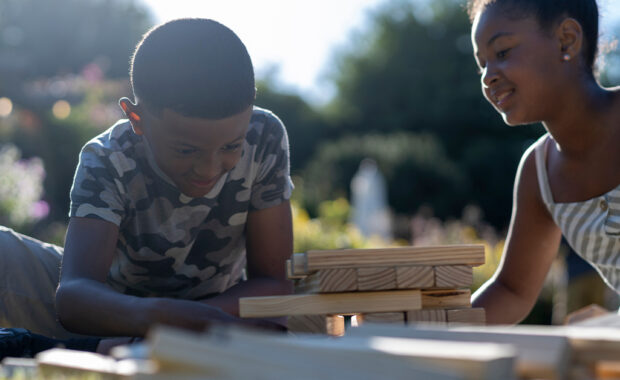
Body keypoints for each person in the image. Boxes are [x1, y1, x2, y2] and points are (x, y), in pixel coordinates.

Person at [0, 17, 294, 343]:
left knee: (304, 314)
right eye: (186, 150)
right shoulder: (107, 156)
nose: (209, 169)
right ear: (136, 119)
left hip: (220, 310)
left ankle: (98, 348)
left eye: (230, 146)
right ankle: (119, 345)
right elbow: (73, 297)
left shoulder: (264, 135)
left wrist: (198, 320)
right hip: (115, 306)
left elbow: (274, 282)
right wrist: (162, 319)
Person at [467, 0, 620, 324]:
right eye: (482, 64)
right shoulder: (539, 173)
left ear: (567, 39)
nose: (488, 77)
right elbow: (512, 289)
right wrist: (429, 329)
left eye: (503, 53)